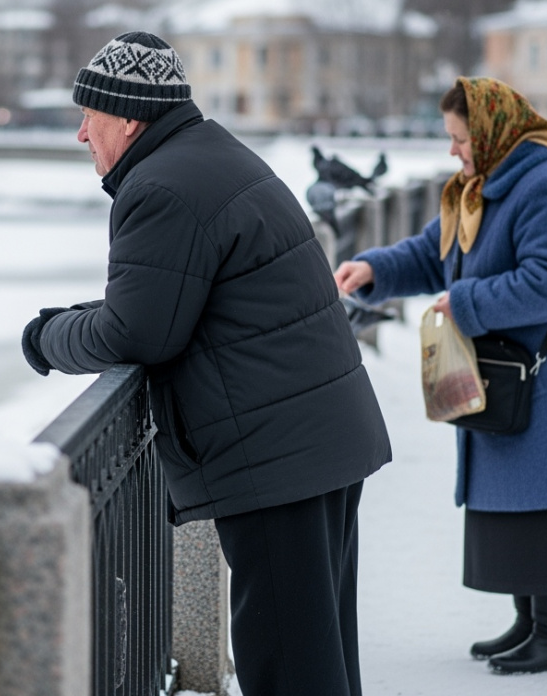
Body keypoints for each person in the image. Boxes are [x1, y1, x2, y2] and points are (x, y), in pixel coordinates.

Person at [21, 31, 392, 695]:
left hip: (278, 457)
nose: (81, 134)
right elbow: (166, 295)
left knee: (287, 665)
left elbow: (138, 332)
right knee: (319, 655)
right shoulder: (204, 157)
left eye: (90, 116)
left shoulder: (161, 187)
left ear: (129, 118)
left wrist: (47, 339)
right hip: (316, 437)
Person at [335, 76, 547, 675]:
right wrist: (372, 270)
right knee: (519, 498)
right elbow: (433, 252)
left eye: (460, 138)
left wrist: (463, 304)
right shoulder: (479, 187)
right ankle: (529, 622)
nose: (453, 151)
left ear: (492, 132)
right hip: (508, 370)